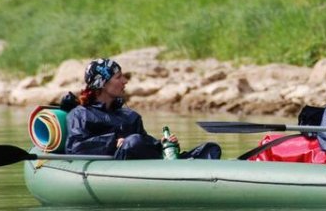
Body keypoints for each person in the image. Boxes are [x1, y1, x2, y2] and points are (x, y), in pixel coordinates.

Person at [65, 58, 221, 160]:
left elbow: (145, 144)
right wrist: (113, 142)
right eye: (118, 77)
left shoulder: (129, 116)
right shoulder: (80, 114)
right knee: (133, 142)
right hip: (113, 171)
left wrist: (163, 144)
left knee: (211, 149)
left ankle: (183, 166)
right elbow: (75, 148)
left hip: (147, 164)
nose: (125, 81)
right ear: (102, 83)